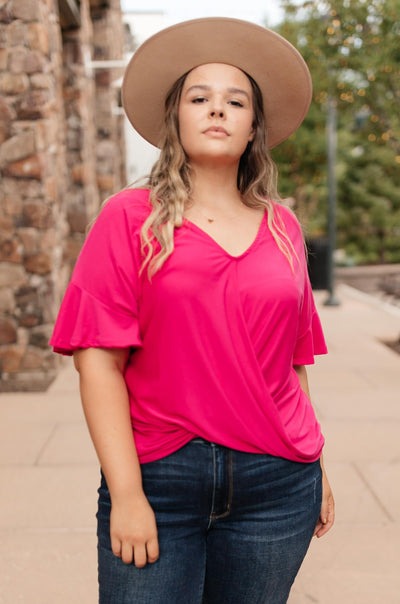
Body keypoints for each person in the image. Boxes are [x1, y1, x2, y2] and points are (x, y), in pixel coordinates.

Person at [50, 17, 334, 604]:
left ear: (254, 124)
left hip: (278, 479)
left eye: (236, 101)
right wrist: (126, 494)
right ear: (176, 116)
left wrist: (316, 463)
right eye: (199, 97)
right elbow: (98, 362)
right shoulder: (128, 218)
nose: (217, 110)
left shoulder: (283, 227)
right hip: (161, 478)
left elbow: (291, 365)